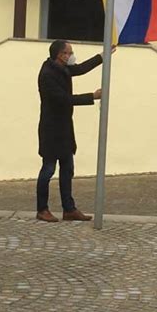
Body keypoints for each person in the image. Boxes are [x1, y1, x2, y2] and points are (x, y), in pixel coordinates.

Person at [36, 39, 108, 223]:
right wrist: (92, 96)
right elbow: (64, 99)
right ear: (61, 55)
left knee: (67, 169)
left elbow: (81, 68)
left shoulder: (62, 68)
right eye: (69, 52)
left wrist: (103, 56)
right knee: (48, 169)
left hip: (65, 128)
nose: (72, 55)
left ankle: (69, 209)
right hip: (51, 129)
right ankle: (42, 209)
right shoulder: (47, 74)